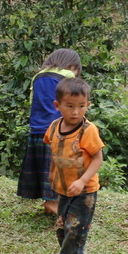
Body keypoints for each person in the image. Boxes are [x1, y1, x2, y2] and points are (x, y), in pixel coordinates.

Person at [40, 76, 105, 254]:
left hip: (85, 192)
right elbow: (54, 152)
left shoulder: (88, 131)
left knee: (75, 230)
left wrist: (83, 180)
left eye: (81, 106)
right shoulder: (54, 127)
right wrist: (52, 173)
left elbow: (98, 159)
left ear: (88, 105)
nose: (76, 112)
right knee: (62, 228)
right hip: (64, 189)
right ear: (57, 105)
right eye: (70, 106)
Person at [18, 49, 83, 215]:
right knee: (60, 166)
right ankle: (53, 203)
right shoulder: (68, 76)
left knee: (45, 167)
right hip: (59, 129)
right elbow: (73, 103)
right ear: (73, 66)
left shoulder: (38, 76)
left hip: (37, 128)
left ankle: (51, 201)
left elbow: (32, 101)